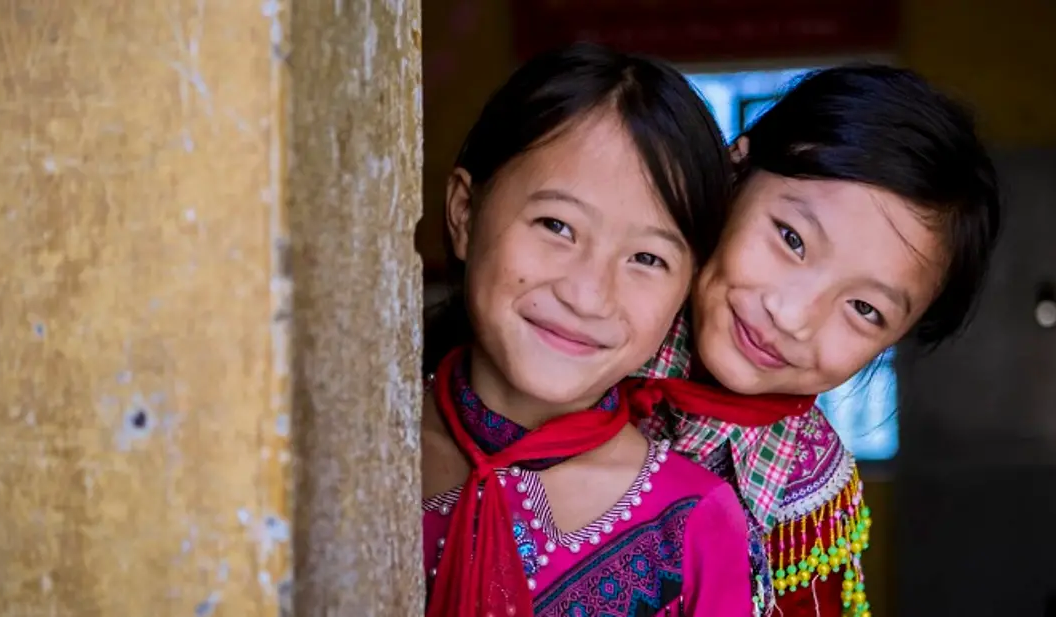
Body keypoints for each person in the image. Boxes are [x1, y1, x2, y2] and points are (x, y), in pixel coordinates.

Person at [637, 64, 1002, 617]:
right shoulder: (590, 333)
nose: (792, 316)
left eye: (864, 309)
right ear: (735, 169)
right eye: (791, 239)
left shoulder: (807, 505)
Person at [419, 43, 759, 617]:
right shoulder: (361, 447)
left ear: (686, 291)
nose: (587, 294)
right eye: (557, 225)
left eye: (647, 259)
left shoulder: (694, 522)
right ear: (464, 213)